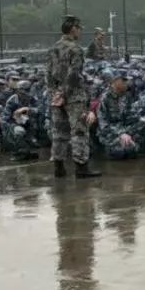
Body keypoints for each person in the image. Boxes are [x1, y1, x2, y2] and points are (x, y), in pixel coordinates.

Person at [46, 16, 101, 179]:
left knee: (59, 132)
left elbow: (47, 74)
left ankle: (59, 166)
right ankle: (81, 167)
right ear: (73, 29)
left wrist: (54, 94)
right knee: (79, 131)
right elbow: (74, 74)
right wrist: (65, 93)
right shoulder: (75, 49)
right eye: (79, 28)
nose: (80, 31)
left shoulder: (53, 49)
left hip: (56, 96)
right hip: (73, 96)